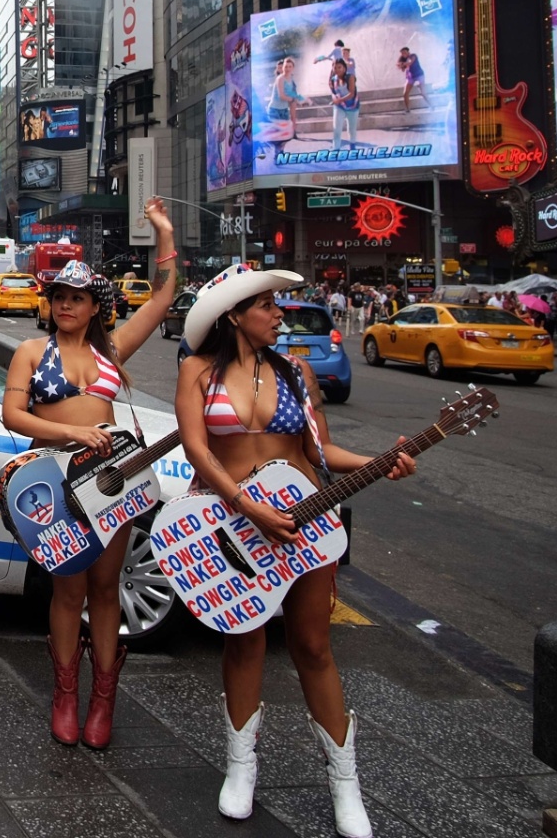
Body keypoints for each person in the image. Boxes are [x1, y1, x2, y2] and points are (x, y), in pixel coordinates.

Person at [174, 265, 416, 835]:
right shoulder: (197, 371)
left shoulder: (297, 372)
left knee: (313, 645)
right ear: (235, 314)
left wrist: (385, 460)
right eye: (268, 305)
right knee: (245, 644)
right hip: (228, 525)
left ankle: (344, 783)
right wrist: (246, 505)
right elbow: (197, 451)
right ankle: (240, 768)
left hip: (302, 524)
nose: (280, 313)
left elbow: (323, 449)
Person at [0, 200, 178, 746]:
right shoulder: (31, 350)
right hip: (54, 484)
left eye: (77, 298)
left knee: (106, 591)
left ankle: (103, 699)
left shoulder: (111, 353)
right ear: (49, 303)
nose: (67, 305)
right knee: (67, 592)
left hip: (109, 482)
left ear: (95, 306)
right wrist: (73, 434)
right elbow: (13, 415)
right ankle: (65, 695)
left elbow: (165, 297)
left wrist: (164, 232)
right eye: (59, 297)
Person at [263, 57, 304, 142]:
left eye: (290, 67)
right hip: (275, 110)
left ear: (293, 68)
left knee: (283, 138)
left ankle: (281, 151)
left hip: (284, 110)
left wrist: (301, 99)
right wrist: (294, 99)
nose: (287, 69)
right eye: (286, 66)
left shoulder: (291, 79)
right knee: (275, 137)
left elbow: (292, 93)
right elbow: (282, 96)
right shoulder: (280, 78)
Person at [329, 58, 360, 149]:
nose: (337, 70)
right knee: (337, 130)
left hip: (353, 106)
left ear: (344, 68)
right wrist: (334, 98)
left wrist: (339, 100)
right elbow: (333, 92)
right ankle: (336, 150)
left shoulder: (350, 77)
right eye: (335, 67)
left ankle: (352, 148)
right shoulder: (333, 80)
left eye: (339, 67)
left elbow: (351, 93)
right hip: (339, 107)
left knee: (351, 130)